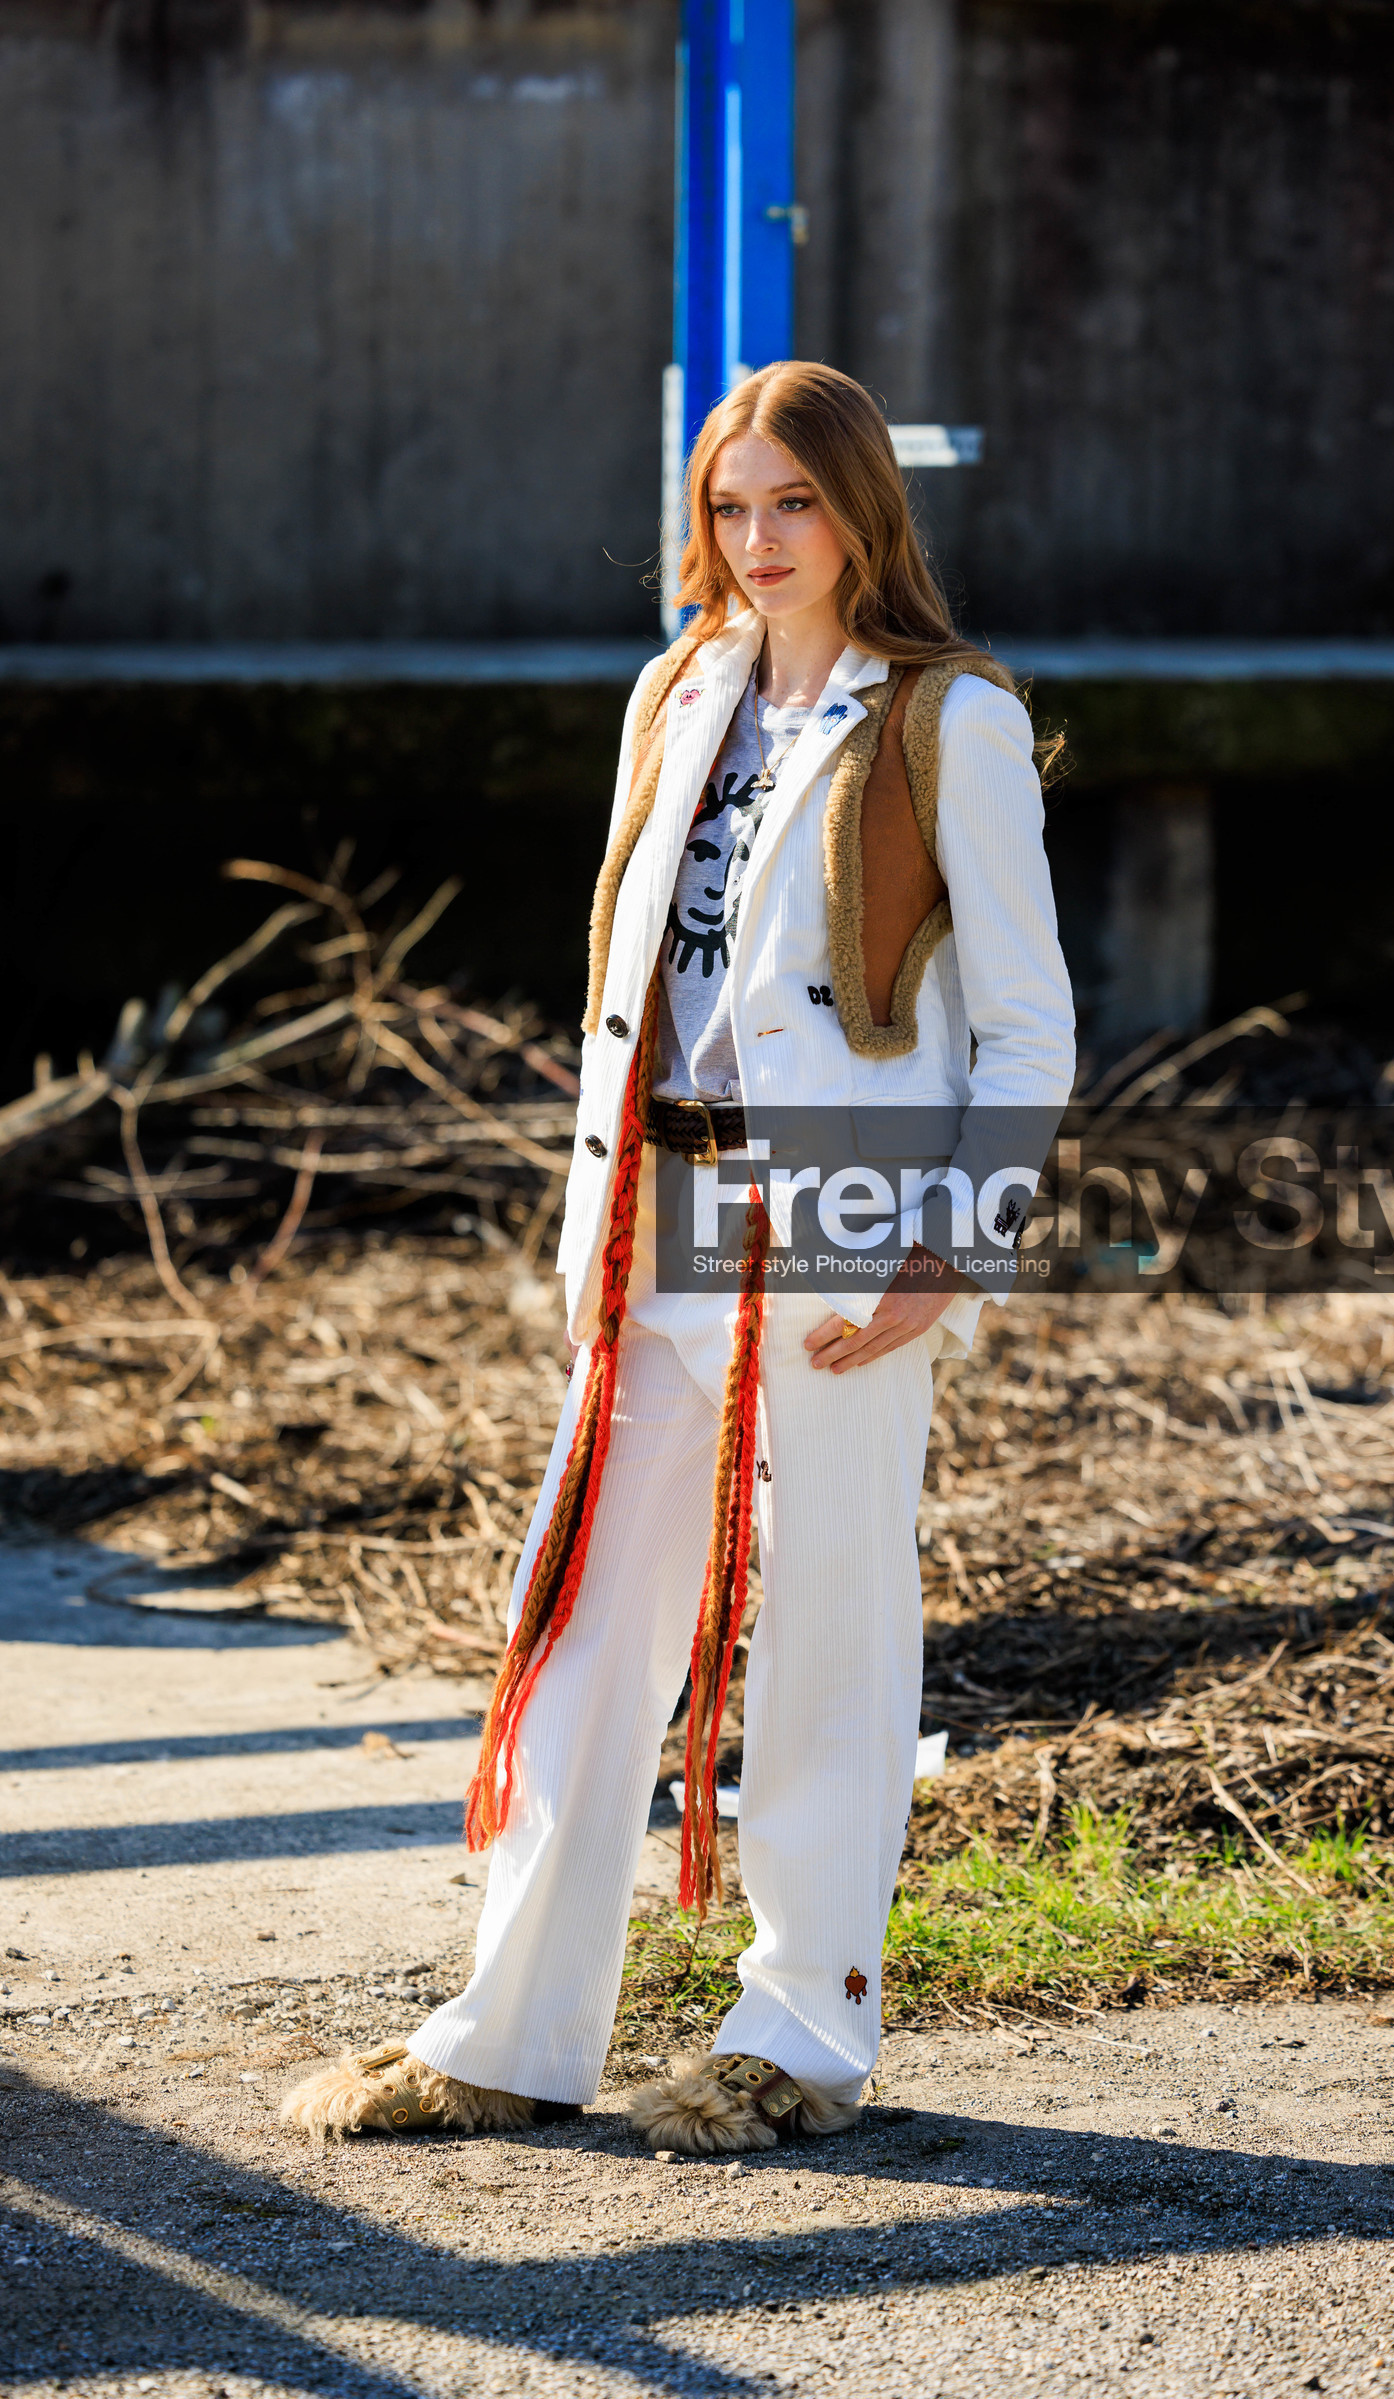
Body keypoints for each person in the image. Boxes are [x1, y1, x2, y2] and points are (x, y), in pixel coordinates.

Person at [283, 360, 1075, 2152]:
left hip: (842, 1228)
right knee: (576, 1624)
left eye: (795, 501)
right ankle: (512, 2032)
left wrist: (949, 1250)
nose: (761, 538)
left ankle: (798, 2037)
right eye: (731, 505)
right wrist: (590, 1228)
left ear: (864, 510)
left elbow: (1029, 1034)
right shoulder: (680, 690)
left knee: (829, 1635)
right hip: (655, 1217)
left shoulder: (950, 722)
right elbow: (625, 1001)